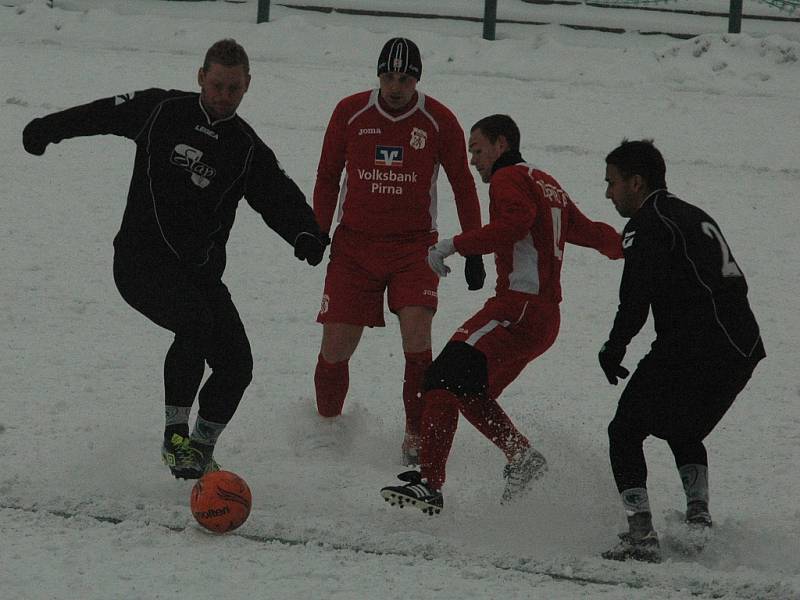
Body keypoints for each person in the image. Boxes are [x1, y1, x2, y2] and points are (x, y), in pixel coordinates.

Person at [21, 39, 329, 480]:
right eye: (218, 85)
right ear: (201, 77)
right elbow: (99, 113)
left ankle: (200, 448)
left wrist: (304, 233)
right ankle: (176, 437)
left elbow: (277, 194)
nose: (224, 96)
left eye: (234, 89)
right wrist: (45, 129)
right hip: (139, 263)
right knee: (196, 325)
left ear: (247, 87)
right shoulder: (159, 110)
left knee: (237, 363)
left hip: (199, 275)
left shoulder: (244, 147)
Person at [380, 114, 623, 514]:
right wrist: (629, 244)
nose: (473, 160)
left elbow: (514, 224)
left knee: (441, 375)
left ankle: (429, 483)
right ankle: (522, 458)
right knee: (465, 389)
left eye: (477, 149)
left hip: (517, 309)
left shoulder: (509, 179)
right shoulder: (546, 183)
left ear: (501, 144)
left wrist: (452, 245)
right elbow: (590, 232)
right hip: (542, 318)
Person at [312, 37, 485, 464]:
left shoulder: (438, 119)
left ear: (417, 79)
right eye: (388, 76)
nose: (394, 86)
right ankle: (326, 426)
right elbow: (327, 176)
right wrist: (316, 232)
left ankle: (415, 433)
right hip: (354, 247)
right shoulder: (350, 112)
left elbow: (464, 183)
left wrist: (475, 247)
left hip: (414, 250)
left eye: (404, 78)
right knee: (335, 347)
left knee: (417, 339)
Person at [598, 139, 765, 563]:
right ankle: (697, 520)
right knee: (682, 427)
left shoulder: (645, 223)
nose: (608, 194)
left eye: (612, 183)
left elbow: (635, 297)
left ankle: (641, 537)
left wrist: (613, 348)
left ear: (636, 183)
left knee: (624, 431)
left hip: (696, 343)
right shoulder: (692, 214)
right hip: (742, 345)